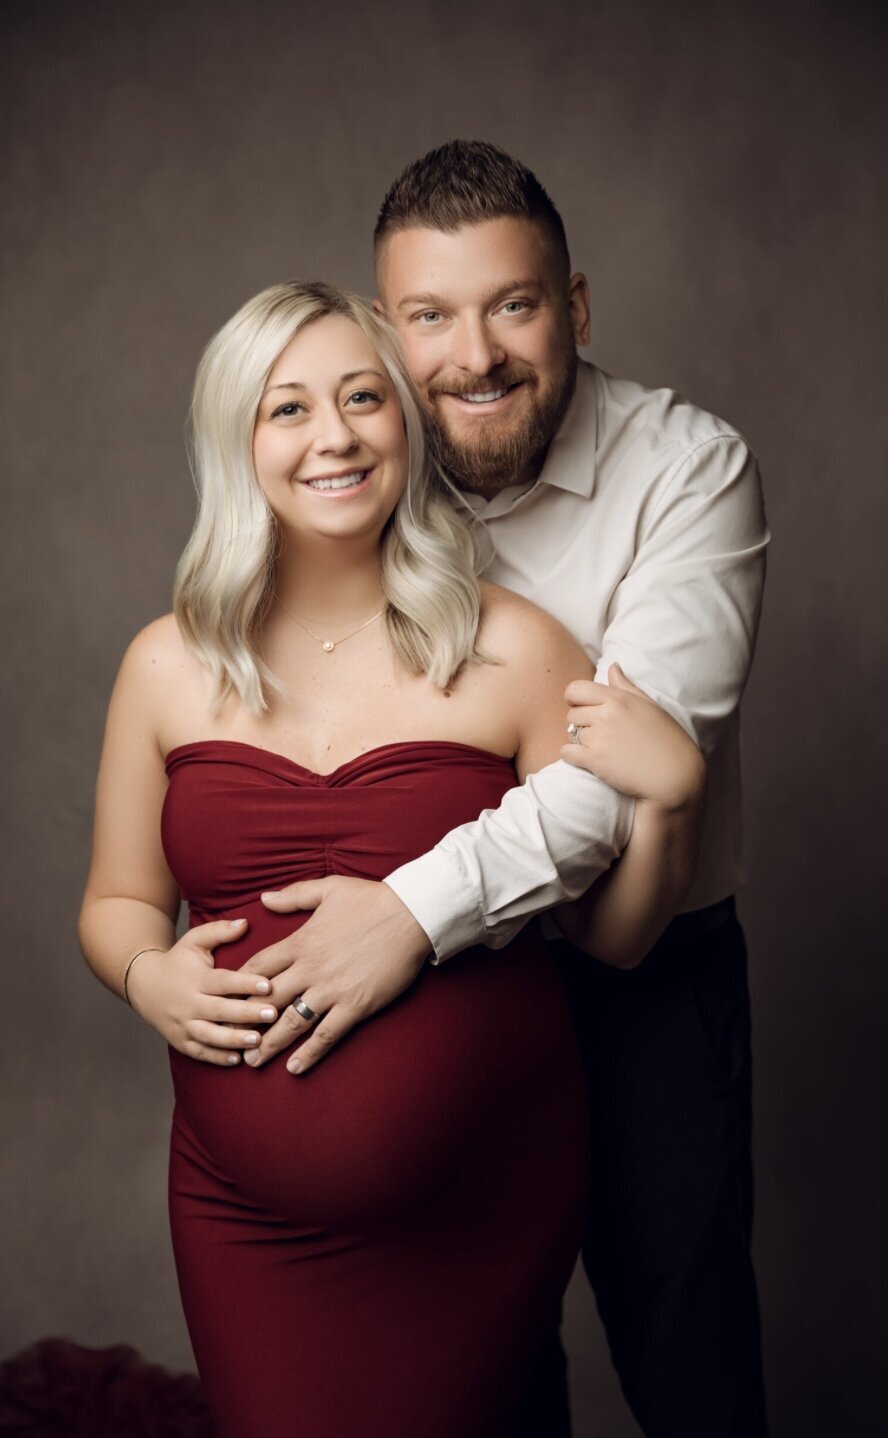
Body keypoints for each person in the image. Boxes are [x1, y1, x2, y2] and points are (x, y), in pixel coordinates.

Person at [78, 280, 706, 1438]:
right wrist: (147, 975)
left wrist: (668, 800)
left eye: (364, 397)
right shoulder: (164, 665)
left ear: (403, 425)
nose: (336, 436)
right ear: (238, 439)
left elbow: (613, 940)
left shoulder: (514, 645)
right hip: (237, 1211)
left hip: (481, 1193)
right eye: (289, 408)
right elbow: (117, 900)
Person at [238, 144, 770, 1437]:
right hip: (449, 993)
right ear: (384, 327)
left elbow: (605, 799)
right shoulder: (360, 460)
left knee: (692, 1359)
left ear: (575, 309)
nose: (471, 356)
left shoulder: (689, 469)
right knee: (478, 1380)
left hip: (645, 971)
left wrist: (406, 910)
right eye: (428, 316)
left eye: (513, 306)